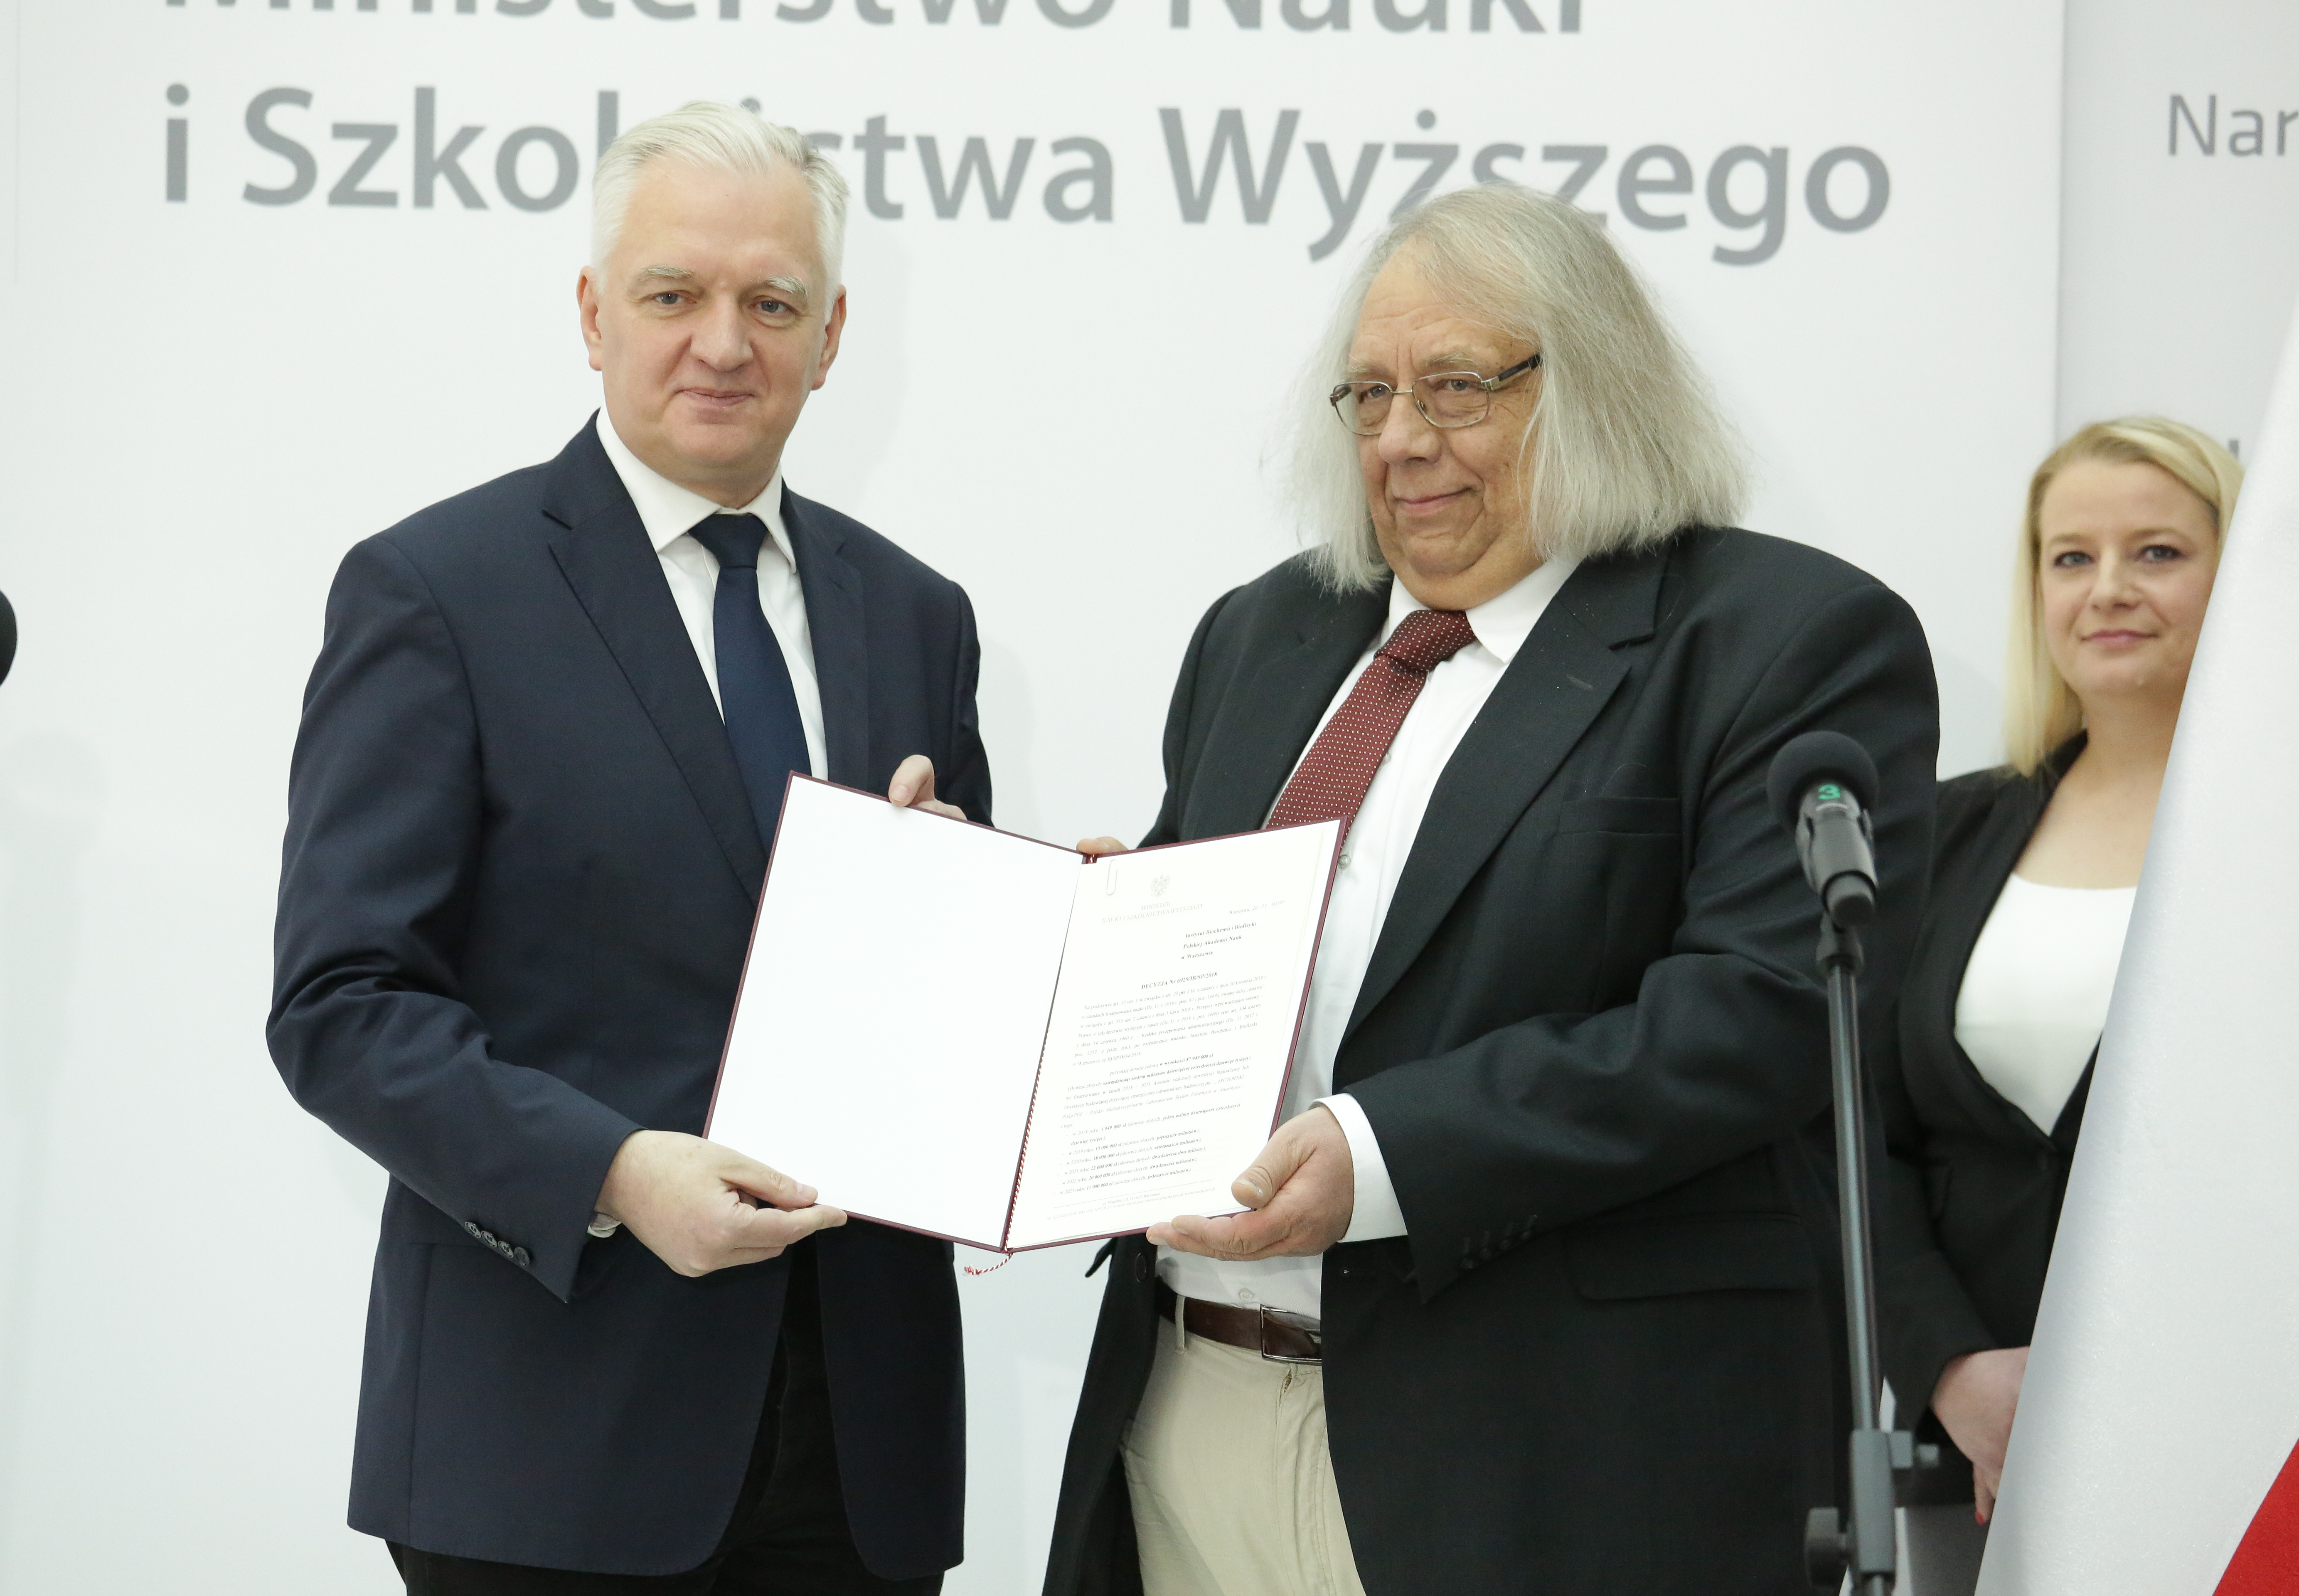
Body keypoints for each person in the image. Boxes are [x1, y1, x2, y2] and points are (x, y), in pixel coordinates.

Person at [1041, 181, 1940, 1596]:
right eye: (1371, 394)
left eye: (1456, 387)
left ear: (1595, 388)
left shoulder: (1786, 640)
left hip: (1551, 1451)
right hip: (1190, 1410)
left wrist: (1384, 1157)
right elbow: (1212, 949)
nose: (1401, 440)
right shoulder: (1263, 633)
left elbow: (1758, 1016)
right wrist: (1059, 932)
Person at [268, 101, 988, 1594]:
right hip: (551, 1450)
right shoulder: (436, 592)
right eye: (674, 295)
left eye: (771, 303)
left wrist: (995, 921)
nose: (724, 343)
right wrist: (610, 1171)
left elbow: (945, 1035)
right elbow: (342, 1006)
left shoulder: (919, 614)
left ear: (832, 335)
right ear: (595, 316)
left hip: (860, 1456)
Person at [1876, 417, 2240, 1590]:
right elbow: (1856, 1137)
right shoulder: (1946, 831)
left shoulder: (2273, 842)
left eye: (2159, 552)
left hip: (2235, 1430)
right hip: (1976, 1450)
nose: (2109, 589)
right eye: (2071, 556)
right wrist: (1951, 1368)